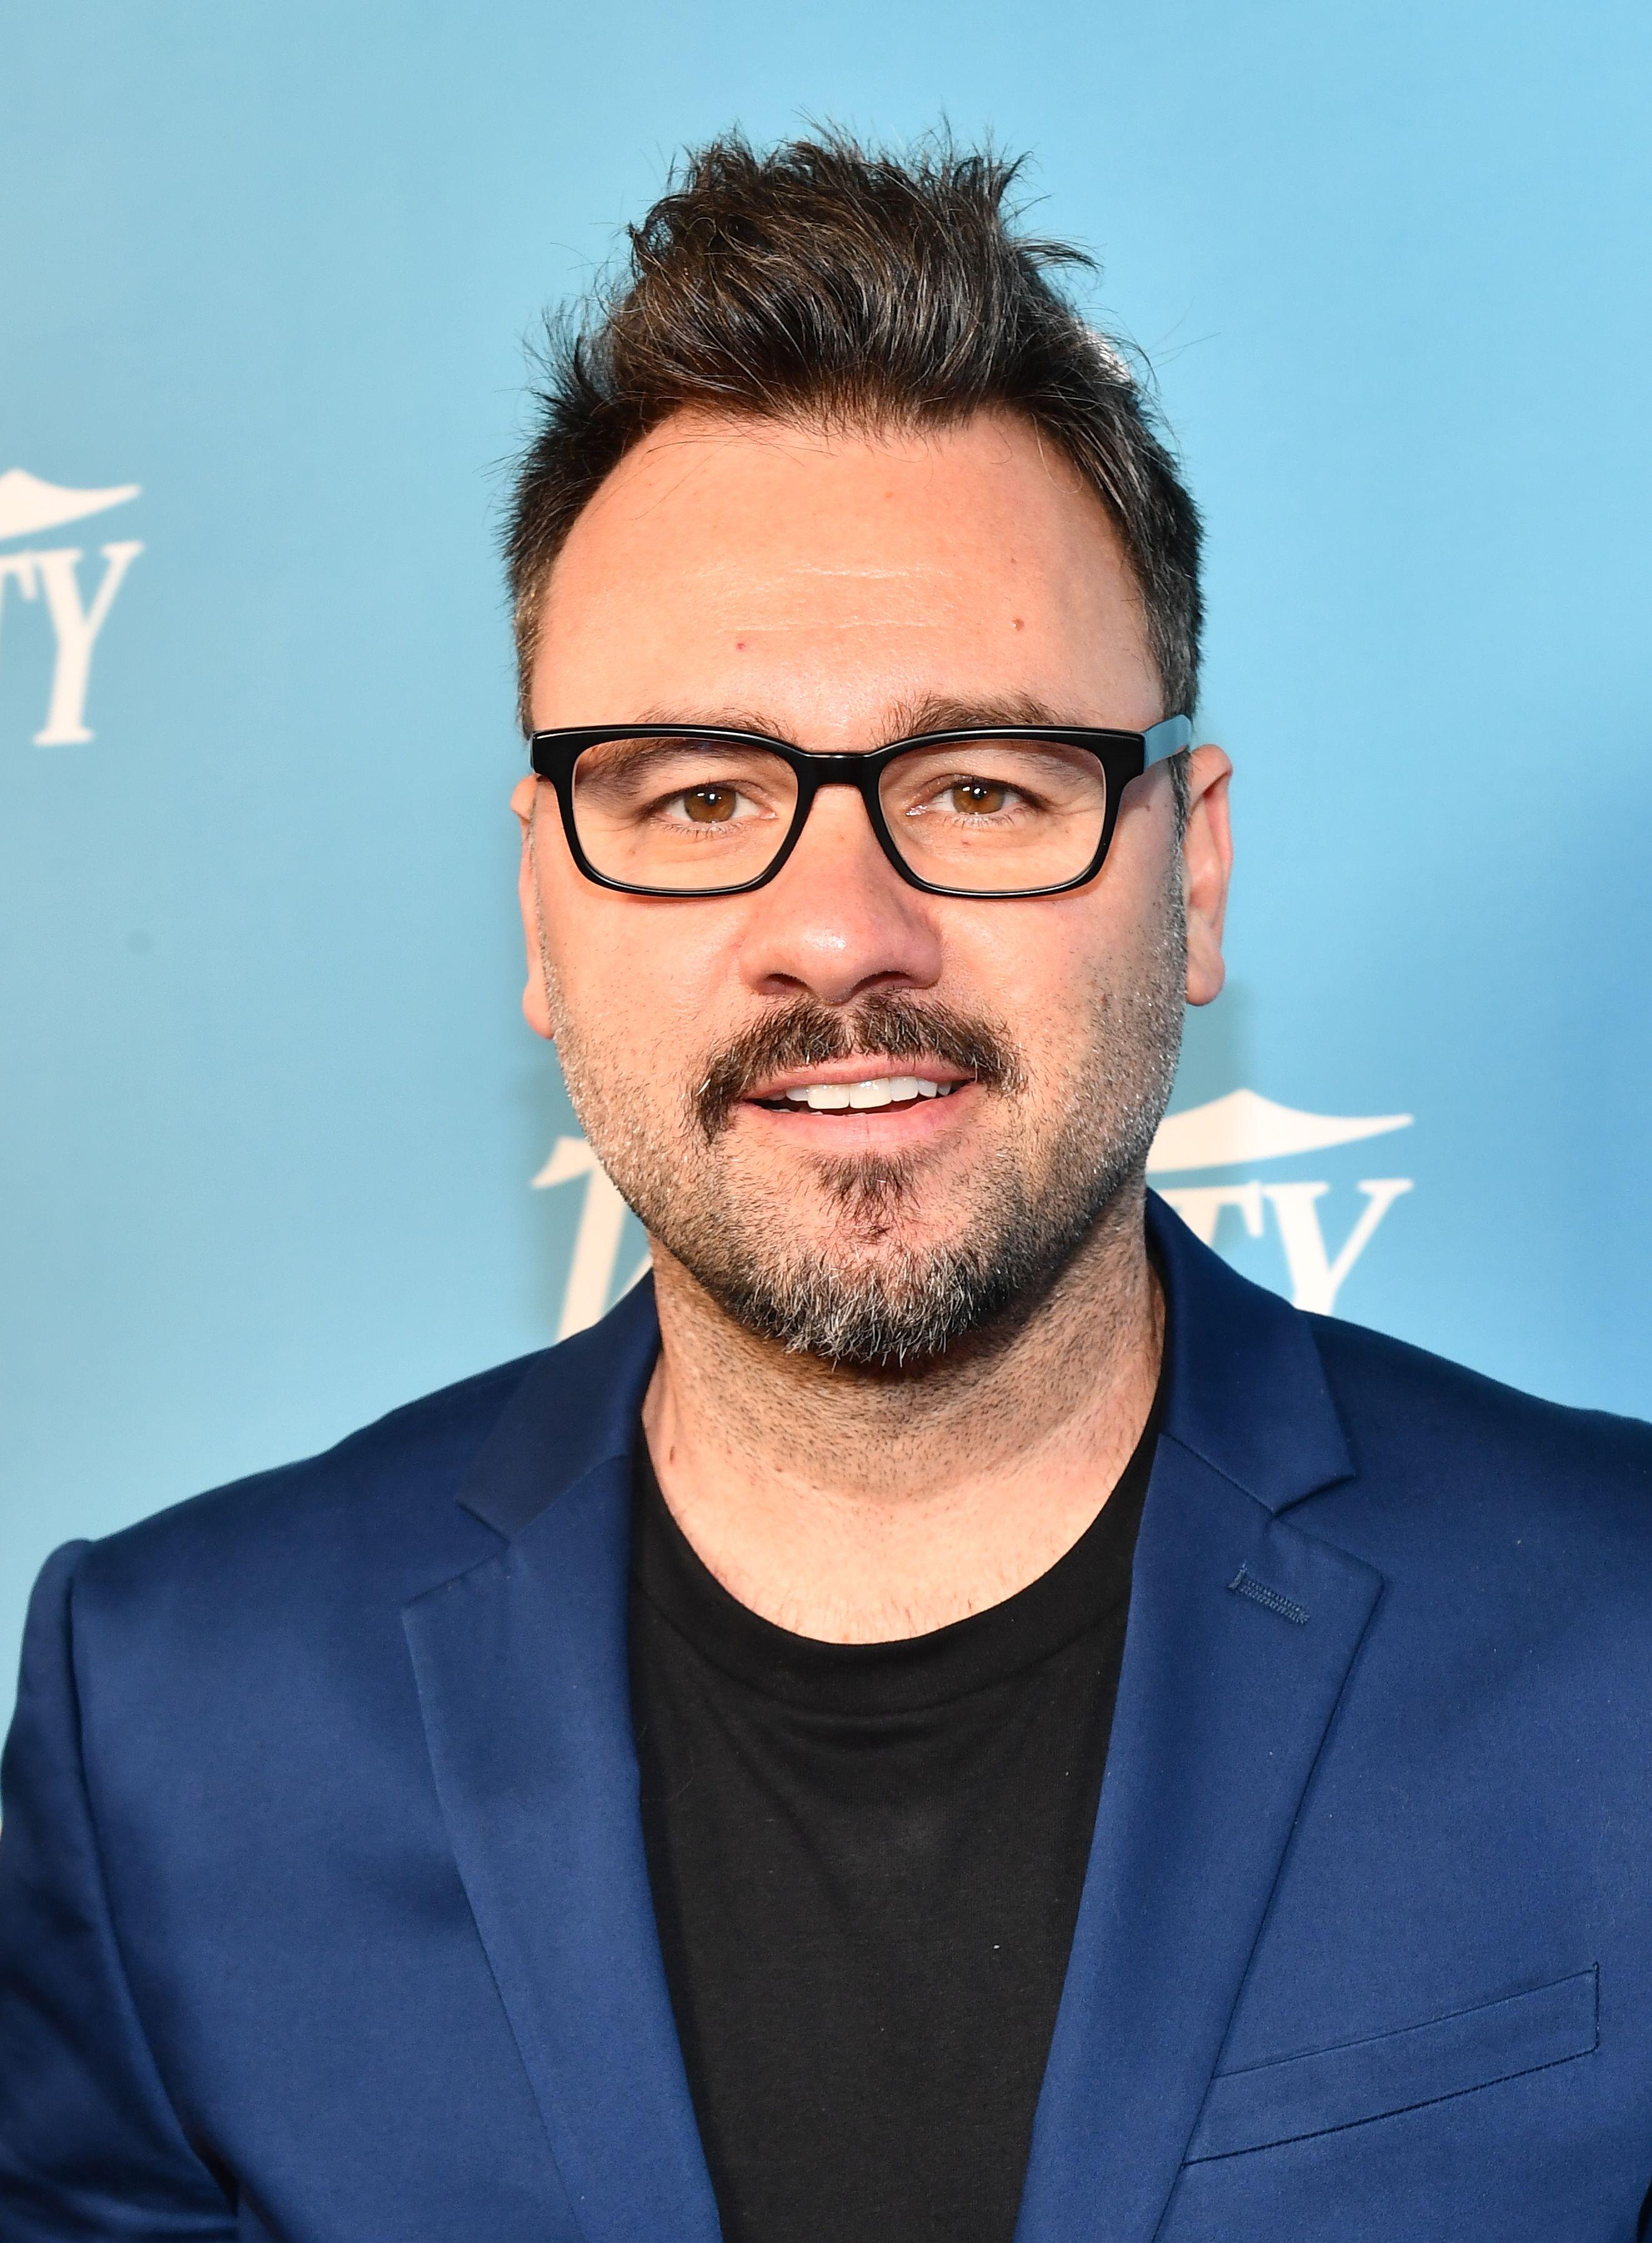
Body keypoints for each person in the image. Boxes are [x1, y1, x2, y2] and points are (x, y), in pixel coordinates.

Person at [1, 132, 1648, 2243]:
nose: (840, 931)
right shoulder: (170, 1722)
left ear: (1190, 873)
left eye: (980, 787)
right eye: (697, 798)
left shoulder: (1619, 1645)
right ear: (540, 904)